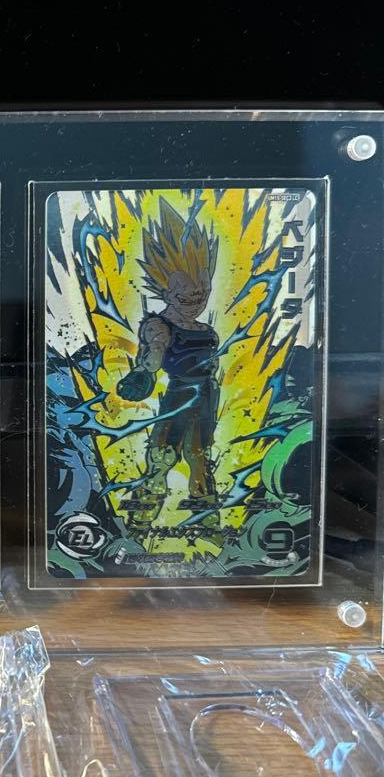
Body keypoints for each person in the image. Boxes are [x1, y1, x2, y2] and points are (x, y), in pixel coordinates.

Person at [117, 199, 221, 539]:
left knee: (200, 459)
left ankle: (209, 527)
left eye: (203, 293)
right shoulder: (159, 326)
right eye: (187, 297)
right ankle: (138, 527)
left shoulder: (206, 330)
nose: (197, 301)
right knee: (162, 459)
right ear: (167, 292)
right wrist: (143, 372)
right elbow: (154, 355)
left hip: (206, 398)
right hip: (178, 397)